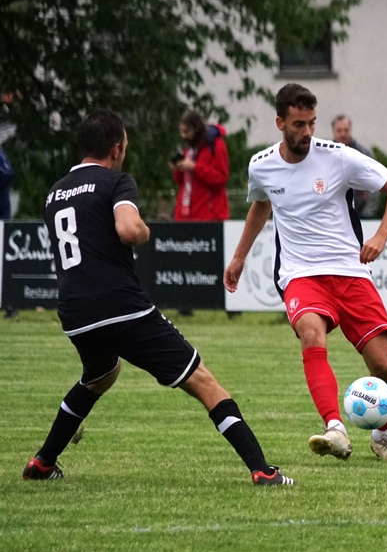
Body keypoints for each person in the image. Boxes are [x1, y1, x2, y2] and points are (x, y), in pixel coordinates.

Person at [22, 110, 293, 485]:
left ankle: (42, 463)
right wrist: (145, 232)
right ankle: (262, 470)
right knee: (204, 381)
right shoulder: (116, 181)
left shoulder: (56, 192)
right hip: (120, 306)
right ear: (116, 149)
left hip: (74, 312)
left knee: (101, 375)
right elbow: (129, 230)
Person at [224, 84, 387, 462]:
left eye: (311, 123)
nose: (307, 132)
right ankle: (335, 428)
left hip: (350, 272)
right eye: (298, 124)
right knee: (311, 333)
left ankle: (382, 435)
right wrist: (240, 257)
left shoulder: (338, 157)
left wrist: (380, 236)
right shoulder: (261, 165)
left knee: (383, 365)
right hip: (300, 274)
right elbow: (261, 204)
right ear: (280, 123)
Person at [171, 110, 230, 221]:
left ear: (196, 129)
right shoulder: (189, 149)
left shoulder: (216, 145)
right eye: (182, 132)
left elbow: (221, 178)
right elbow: (180, 182)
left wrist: (195, 167)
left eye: (186, 132)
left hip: (210, 214)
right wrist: (178, 168)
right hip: (186, 214)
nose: (184, 136)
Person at [333, 114, 379, 219]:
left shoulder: (363, 154)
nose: (343, 134)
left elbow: (376, 183)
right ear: (334, 132)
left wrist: (368, 213)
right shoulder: (326, 154)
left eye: (346, 130)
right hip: (334, 215)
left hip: (360, 214)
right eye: (339, 130)